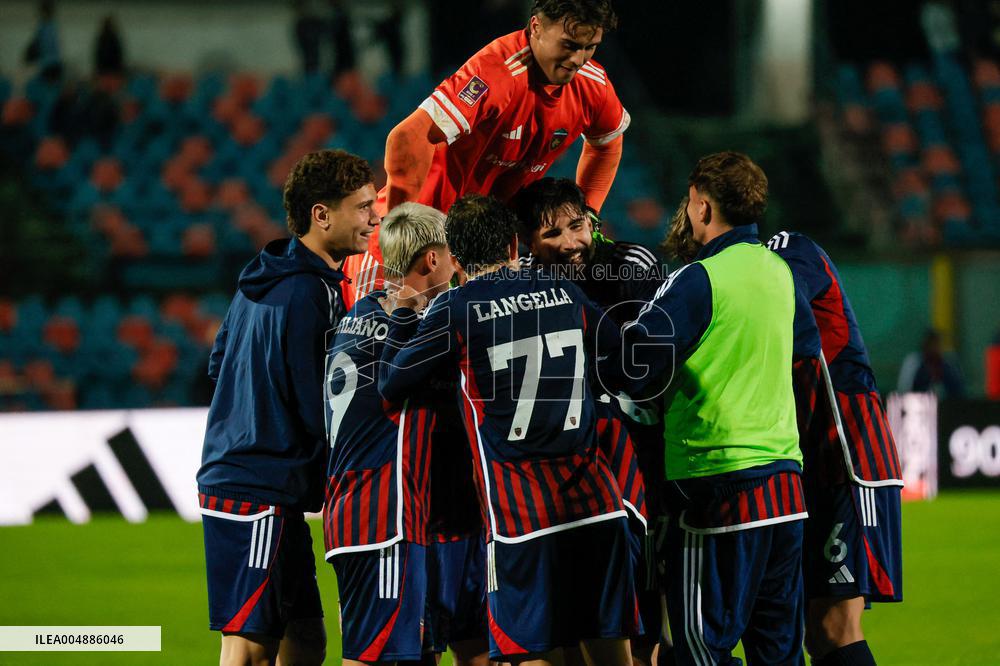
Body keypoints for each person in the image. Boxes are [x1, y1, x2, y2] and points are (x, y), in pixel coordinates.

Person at [379, 194, 635, 666]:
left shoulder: (456, 307)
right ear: (515, 245)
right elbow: (618, 353)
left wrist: (401, 313)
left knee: (530, 652)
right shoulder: (563, 289)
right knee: (609, 648)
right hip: (597, 505)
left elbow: (390, 382)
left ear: (456, 258)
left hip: (521, 517)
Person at [599, 152, 808, 666]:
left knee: (698, 650)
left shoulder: (699, 279)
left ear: (703, 207)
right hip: (786, 487)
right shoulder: (780, 272)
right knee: (778, 654)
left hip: (719, 483)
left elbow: (633, 366)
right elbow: (805, 353)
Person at [197, 149, 377, 666]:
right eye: (363, 207)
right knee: (249, 648)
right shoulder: (309, 293)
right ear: (322, 215)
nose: (375, 218)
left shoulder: (261, 278)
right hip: (259, 487)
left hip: (260, 480)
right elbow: (318, 403)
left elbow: (218, 365)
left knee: (306, 641)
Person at [342, 0, 628, 307]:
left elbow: (607, 143)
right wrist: (401, 235)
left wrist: (588, 213)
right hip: (409, 255)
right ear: (536, 27)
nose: (578, 59)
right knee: (376, 338)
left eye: (589, 47)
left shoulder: (592, 85)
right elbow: (406, 139)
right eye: (569, 45)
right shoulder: (497, 72)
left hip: (479, 257)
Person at [510, 177, 666, 666]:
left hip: (637, 457)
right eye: (552, 234)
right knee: (569, 620)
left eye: (576, 226)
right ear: (527, 241)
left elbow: (653, 367)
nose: (570, 243)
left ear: (592, 221)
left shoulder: (631, 267)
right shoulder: (521, 283)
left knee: (641, 617)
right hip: (556, 470)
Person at [322, 202, 462, 665]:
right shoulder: (416, 333)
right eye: (452, 253)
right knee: (376, 657)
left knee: (407, 652)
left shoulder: (356, 315)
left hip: (354, 510)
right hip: (384, 516)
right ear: (433, 258)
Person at [767, 229, 904, 666]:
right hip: (815, 460)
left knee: (835, 625)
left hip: (849, 452)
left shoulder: (787, 248)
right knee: (816, 628)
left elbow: (778, 303)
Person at [897, 328, 966, 399]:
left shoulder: (948, 365)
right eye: (931, 344)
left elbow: (959, 391)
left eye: (936, 344)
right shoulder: (913, 362)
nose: (934, 348)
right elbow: (904, 390)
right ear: (925, 345)